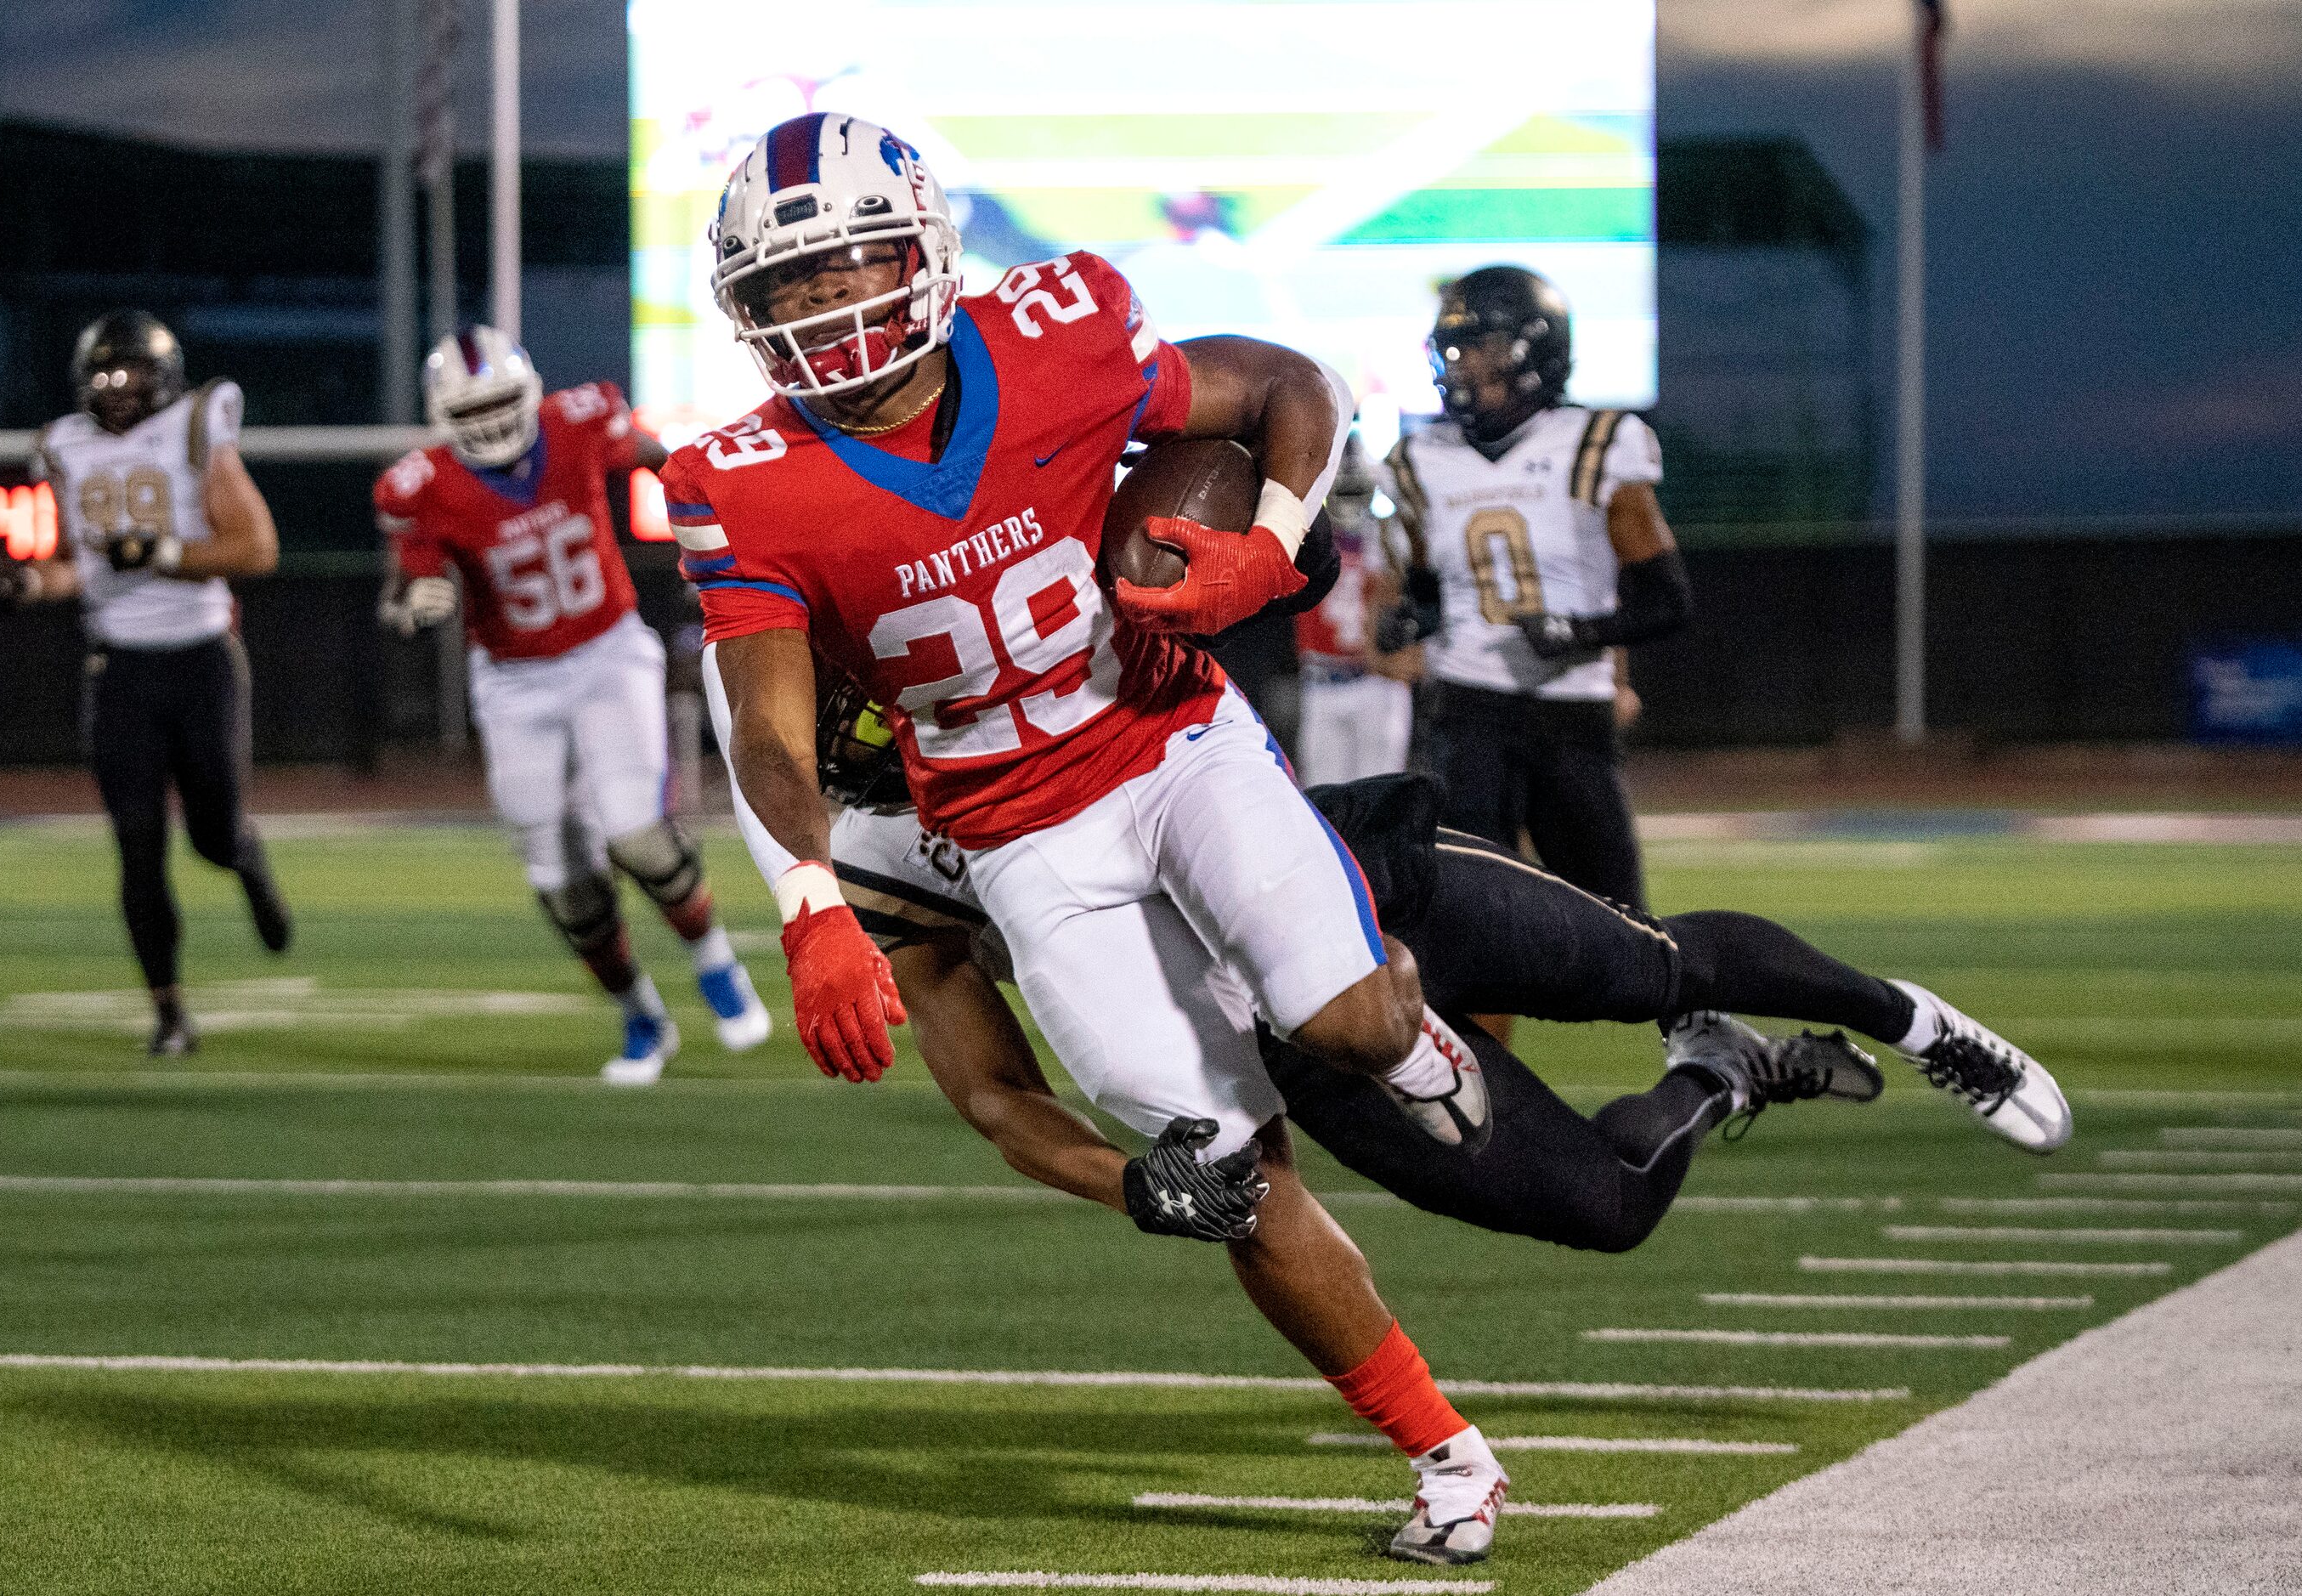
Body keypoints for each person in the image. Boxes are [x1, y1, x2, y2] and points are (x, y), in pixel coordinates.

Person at [676, 112, 1509, 1565]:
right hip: (1012, 833)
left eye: (844, 265)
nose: (822, 309)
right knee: (1223, 1165)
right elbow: (763, 725)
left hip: (1170, 734)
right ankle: (1444, 1446)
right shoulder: (739, 479)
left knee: (1352, 1021)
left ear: (924, 248)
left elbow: (1289, 385)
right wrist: (810, 903)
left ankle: (1417, 1036)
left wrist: (1269, 535)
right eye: (787, 288)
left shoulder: (1059, 329)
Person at [733, 678, 2071, 1248]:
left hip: (1356, 887)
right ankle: (1715, 1078)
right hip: (1281, 1045)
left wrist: (1258, 551)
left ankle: (1915, 1018)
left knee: (1651, 961)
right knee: (1601, 1210)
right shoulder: (861, 853)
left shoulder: (1016, 623)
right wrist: (1129, 1179)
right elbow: (988, 1084)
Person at [375, 328, 770, 1083]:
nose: (489, 420)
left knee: (634, 832)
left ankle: (716, 964)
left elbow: (672, 466)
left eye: (499, 401)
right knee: (557, 876)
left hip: (605, 653)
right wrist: (412, 603)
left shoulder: (579, 423)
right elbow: (402, 591)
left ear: (528, 393)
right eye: (473, 407)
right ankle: (642, 1016)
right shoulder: (420, 486)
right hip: (514, 683)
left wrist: (719, 534)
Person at [0, 310, 291, 1057]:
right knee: (136, 841)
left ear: (167, 378)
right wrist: (37, 584)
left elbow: (256, 548)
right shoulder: (61, 445)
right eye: (104, 376)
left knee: (213, 835)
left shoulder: (198, 425)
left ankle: (246, 860)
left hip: (200, 657)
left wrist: (159, 550)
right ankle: (168, 1012)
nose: (118, 390)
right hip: (119, 665)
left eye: (132, 374)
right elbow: (81, 564)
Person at [1382, 266, 1691, 912]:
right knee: (1472, 918)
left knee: (1622, 926)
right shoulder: (1418, 461)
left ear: (1536, 348)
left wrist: (1580, 633)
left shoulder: (1597, 443)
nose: (1463, 365)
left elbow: (1667, 601)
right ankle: (1461, 1021)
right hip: (1466, 712)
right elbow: (1430, 589)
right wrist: (1414, 617)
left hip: (1567, 709)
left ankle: (1693, 1017)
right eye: (1455, 348)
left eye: (1482, 347)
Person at [1294, 433, 1417, 787]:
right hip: (1321, 681)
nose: (1350, 500)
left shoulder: (1389, 538)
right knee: (1324, 800)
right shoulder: (1306, 536)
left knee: (1380, 801)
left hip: (1376, 680)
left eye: (1357, 488)